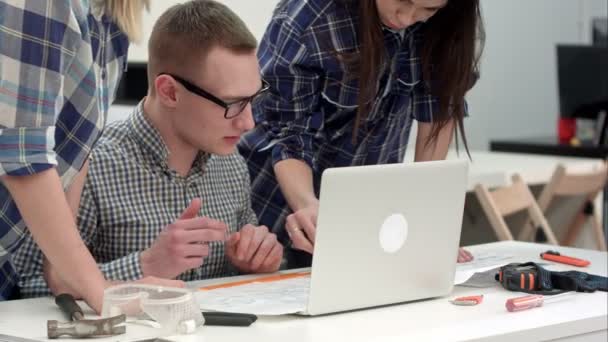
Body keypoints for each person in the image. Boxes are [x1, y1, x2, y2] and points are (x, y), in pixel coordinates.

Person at [13, 0, 283, 298]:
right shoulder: (91, 165)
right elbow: (27, 289)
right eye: (233, 104)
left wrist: (255, 260)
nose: (248, 122)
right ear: (169, 92)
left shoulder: (230, 164)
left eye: (253, 98)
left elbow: (230, 277)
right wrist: (145, 266)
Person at [239, 0, 485, 267]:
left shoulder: (443, 24)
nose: (406, 18)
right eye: (403, 1)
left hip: (363, 218)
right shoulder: (310, 19)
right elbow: (288, 133)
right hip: (274, 206)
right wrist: (307, 204)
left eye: (428, 10)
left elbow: (438, 114)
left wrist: (424, 225)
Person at [0, 0, 182, 309]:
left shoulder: (113, 21)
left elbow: (76, 145)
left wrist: (64, 273)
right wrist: (102, 291)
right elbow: (21, 154)